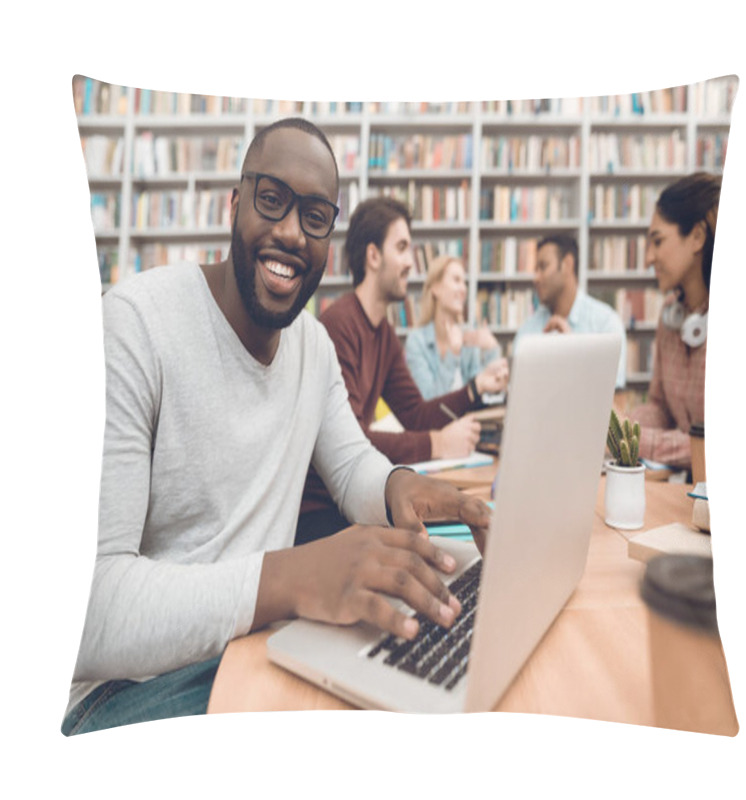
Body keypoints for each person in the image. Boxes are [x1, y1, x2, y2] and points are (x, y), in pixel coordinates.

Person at [62, 118, 490, 735]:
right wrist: (290, 578)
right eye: (271, 200)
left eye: (315, 216)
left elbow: (351, 465)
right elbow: (89, 613)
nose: (291, 232)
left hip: (256, 643)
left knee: (436, 664)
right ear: (234, 205)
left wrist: (399, 485)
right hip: (123, 694)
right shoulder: (134, 326)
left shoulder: (311, 347)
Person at [296, 197, 508, 544]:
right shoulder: (339, 324)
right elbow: (353, 440)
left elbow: (413, 413)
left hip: (354, 504)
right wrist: (436, 443)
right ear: (373, 256)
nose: (412, 262)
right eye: (402, 247)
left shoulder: (384, 335)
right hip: (323, 514)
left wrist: (474, 389)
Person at [630, 172, 721, 471]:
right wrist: (616, 425)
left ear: (696, 237)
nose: (648, 258)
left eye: (658, 241)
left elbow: (715, 445)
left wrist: (638, 441)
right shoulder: (671, 313)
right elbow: (661, 408)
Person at [512, 234, 627, 389]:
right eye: (535, 269)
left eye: (543, 267)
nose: (536, 278)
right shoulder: (527, 332)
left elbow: (615, 399)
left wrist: (573, 352)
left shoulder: (606, 325)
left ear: (567, 264)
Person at [405, 255, 509, 400]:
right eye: (456, 280)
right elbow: (428, 402)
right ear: (435, 288)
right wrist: (452, 354)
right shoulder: (417, 342)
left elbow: (485, 394)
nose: (463, 289)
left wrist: (492, 349)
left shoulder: (468, 339)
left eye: (464, 282)